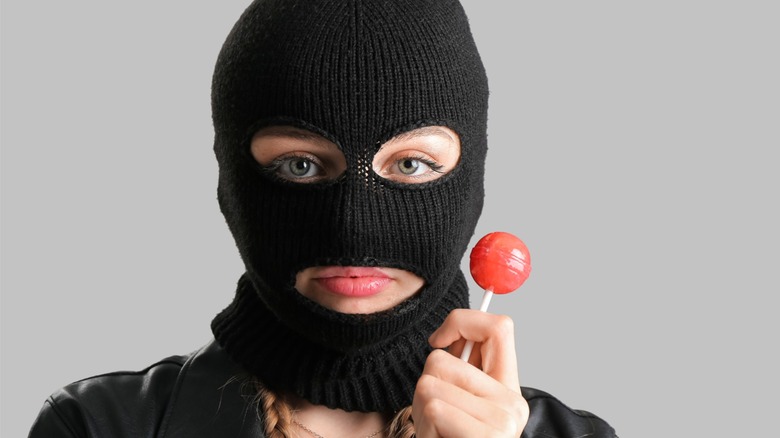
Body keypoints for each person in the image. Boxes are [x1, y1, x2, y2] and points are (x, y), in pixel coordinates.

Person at [28, 0, 616, 437]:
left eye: (411, 163)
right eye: (301, 165)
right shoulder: (95, 427)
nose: (353, 232)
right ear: (229, 181)